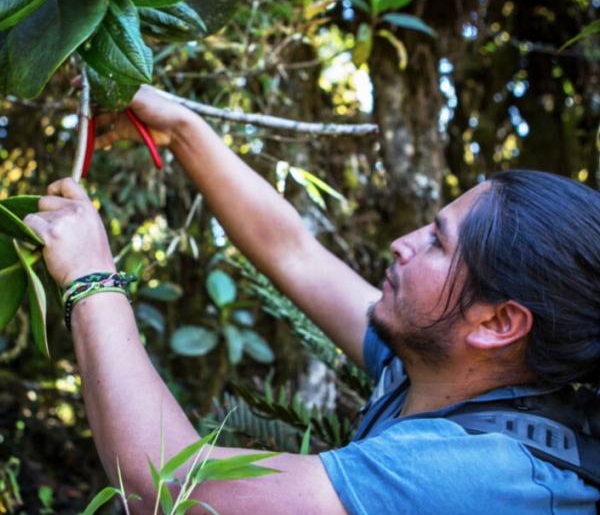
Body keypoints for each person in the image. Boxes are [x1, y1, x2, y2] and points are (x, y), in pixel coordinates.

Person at [25, 85, 600, 514]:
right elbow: (294, 251)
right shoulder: (441, 366)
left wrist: (91, 279)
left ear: (498, 323)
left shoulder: (476, 475)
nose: (402, 244)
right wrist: (180, 129)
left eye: (436, 243)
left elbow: (172, 488)